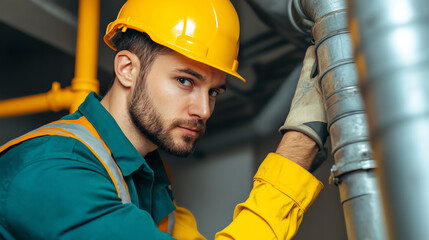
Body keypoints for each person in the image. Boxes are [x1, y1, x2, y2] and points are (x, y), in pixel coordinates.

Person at [0, 0, 327, 239]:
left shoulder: (146, 175)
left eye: (214, 92)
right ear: (127, 69)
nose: (204, 110)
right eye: (186, 81)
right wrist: (298, 146)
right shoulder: (54, 170)